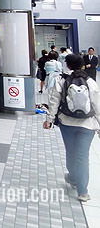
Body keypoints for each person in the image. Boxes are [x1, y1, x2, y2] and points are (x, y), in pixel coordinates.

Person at [44, 53, 100, 202]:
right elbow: (97, 105)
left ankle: (74, 177)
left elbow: (54, 101)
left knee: (71, 152)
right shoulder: (90, 82)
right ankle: (83, 192)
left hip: (67, 123)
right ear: (82, 65)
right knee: (83, 156)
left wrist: (49, 120)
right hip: (87, 124)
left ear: (67, 65)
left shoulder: (61, 80)